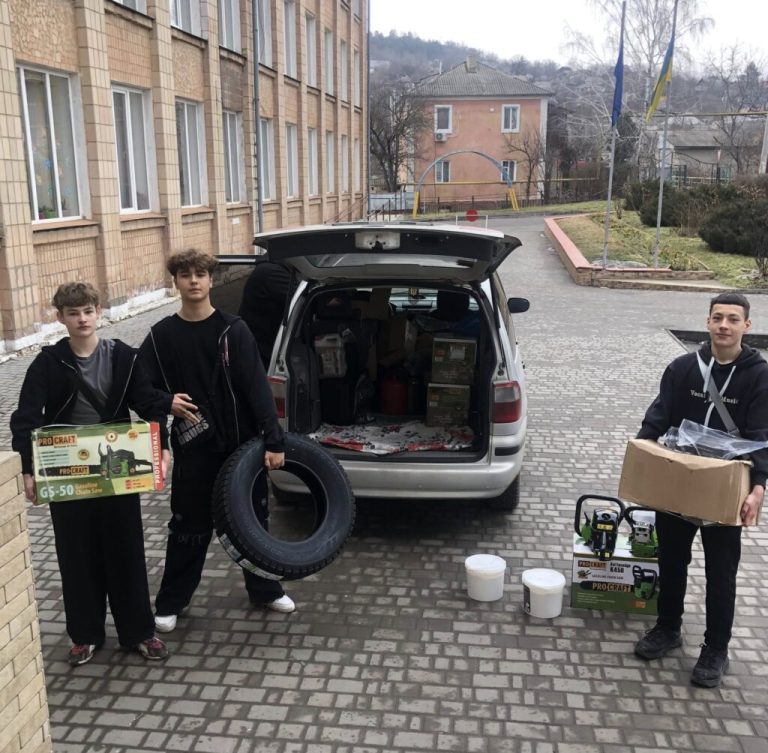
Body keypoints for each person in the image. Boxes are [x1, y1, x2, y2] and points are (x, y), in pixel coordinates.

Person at [10, 282, 171, 666]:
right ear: (60, 317)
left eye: (87, 311)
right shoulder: (48, 364)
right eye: (73, 313)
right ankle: (84, 635)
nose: (82, 319)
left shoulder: (124, 357)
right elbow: (26, 419)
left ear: (99, 312)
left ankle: (139, 632)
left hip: (115, 473)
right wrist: (29, 471)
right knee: (76, 556)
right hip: (67, 475)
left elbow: (149, 405)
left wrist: (162, 448)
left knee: (126, 552)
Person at [139, 249, 294, 635]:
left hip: (241, 449)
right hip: (193, 451)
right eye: (185, 274)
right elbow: (141, 390)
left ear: (211, 280)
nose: (193, 280)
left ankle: (265, 590)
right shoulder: (161, 335)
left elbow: (258, 389)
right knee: (188, 527)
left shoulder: (233, 330)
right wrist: (166, 403)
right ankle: (172, 602)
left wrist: (274, 441)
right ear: (176, 281)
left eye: (200, 274)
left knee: (252, 524)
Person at [633, 292, 768, 688]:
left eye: (732, 319)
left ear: (746, 325)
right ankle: (667, 628)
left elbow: (762, 436)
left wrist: (758, 488)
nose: (724, 325)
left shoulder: (759, 377)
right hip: (679, 480)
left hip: (725, 486)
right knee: (671, 560)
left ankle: (716, 650)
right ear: (707, 322)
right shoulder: (683, 368)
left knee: (720, 572)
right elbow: (658, 417)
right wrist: (642, 460)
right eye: (717, 318)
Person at [238, 257, 295, 370]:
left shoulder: (270, 269)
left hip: (260, 346)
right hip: (261, 350)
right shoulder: (271, 272)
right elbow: (301, 297)